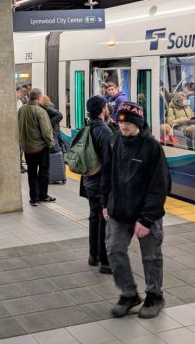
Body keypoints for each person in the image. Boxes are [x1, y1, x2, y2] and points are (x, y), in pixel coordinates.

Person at [102, 102, 170, 319]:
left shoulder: (152, 147)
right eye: (121, 122)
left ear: (139, 123)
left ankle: (154, 296)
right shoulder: (115, 141)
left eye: (128, 123)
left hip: (145, 215)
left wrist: (147, 219)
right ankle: (129, 293)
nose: (123, 127)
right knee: (114, 249)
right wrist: (105, 203)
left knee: (150, 257)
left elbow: (160, 186)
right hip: (118, 210)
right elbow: (107, 174)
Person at [84, 96, 113, 275]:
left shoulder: (88, 126)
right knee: (105, 220)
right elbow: (108, 162)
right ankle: (105, 262)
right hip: (101, 183)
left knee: (94, 217)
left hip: (88, 181)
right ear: (103, 109)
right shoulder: (104, 131)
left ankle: (93, 255)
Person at [19, 88, 55, 206]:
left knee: (32, 172)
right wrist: (51, 144)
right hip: (40, 147)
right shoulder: (40, 111)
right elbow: (46, 131)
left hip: (27, 148)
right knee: (43, 171)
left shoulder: (21, 109)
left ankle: (33, 197)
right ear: (39, 98)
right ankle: (43, 195)